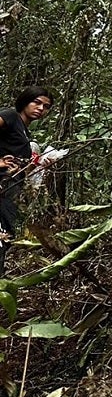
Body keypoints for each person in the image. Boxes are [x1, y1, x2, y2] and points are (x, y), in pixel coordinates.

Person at [0, 86, 53, 274]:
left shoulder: (24, 131)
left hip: (10, 190)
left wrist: (38, 164)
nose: (40, 108)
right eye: (36, 102)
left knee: (5, 237)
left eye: (46, 106)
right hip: (2, 187)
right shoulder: (10, 116)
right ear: (25, 101)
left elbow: (22, 168)